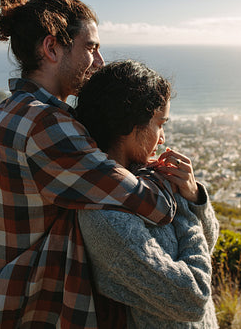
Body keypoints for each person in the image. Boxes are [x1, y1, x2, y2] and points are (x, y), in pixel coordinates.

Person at [0, 0, 176, 328]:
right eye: (90, 48)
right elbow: (153, 205)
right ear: (52, 48)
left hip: (3, 297)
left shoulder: (6, 111)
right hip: (38, 309)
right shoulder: (46, 126)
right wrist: (168, 178)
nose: (99, 60)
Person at [75, 60, 219, 328]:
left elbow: (206, 248)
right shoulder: (106, 216)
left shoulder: (149, 179)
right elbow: (194, 298)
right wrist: (185, 216)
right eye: (159, 124)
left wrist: (192, 196)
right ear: (130, 125)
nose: (162, 138)